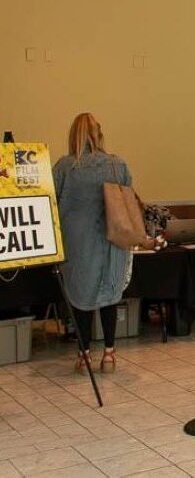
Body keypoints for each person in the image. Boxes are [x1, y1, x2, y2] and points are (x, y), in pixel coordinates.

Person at [53, 113, 132, 373]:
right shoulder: (116, 164)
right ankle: (109, 353)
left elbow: (52, 201)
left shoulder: (65, 167)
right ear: (99, 134)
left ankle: (84, 354)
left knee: (81, 297)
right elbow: (129, 195)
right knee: (109, 294)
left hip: (77, 244)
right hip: (113, 239)